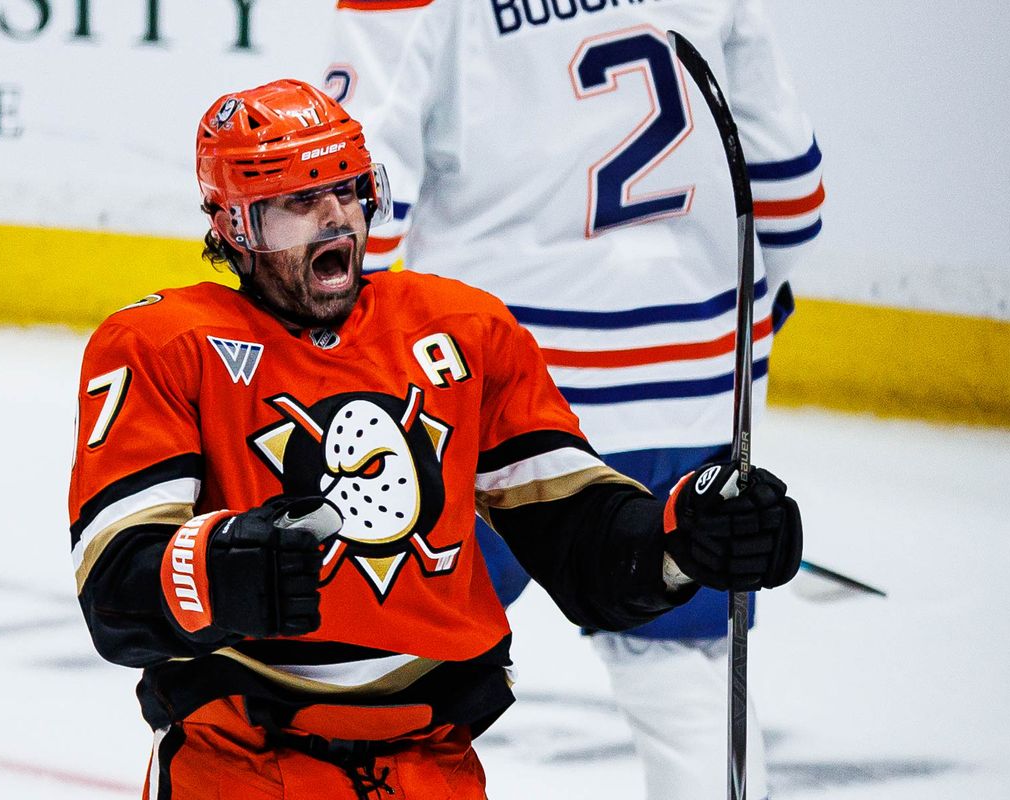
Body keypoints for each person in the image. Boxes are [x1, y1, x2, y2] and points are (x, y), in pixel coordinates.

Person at [67, 78, 803, 800]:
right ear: (236, 226)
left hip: (435, 768)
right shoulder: (163, 345)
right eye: (298, 201)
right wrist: (216, 570)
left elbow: (580, 542)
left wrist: (684, 535)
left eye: (348, 191)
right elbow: (114, 593)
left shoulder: (463, 329)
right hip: (245, 766)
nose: (334, 219)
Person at [324, 2, 824, 798]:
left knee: (379, 668)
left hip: (489, 390)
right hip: (690, 372)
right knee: (685, 683)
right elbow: (794, 198)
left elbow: (348, 197)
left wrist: (343, 371)